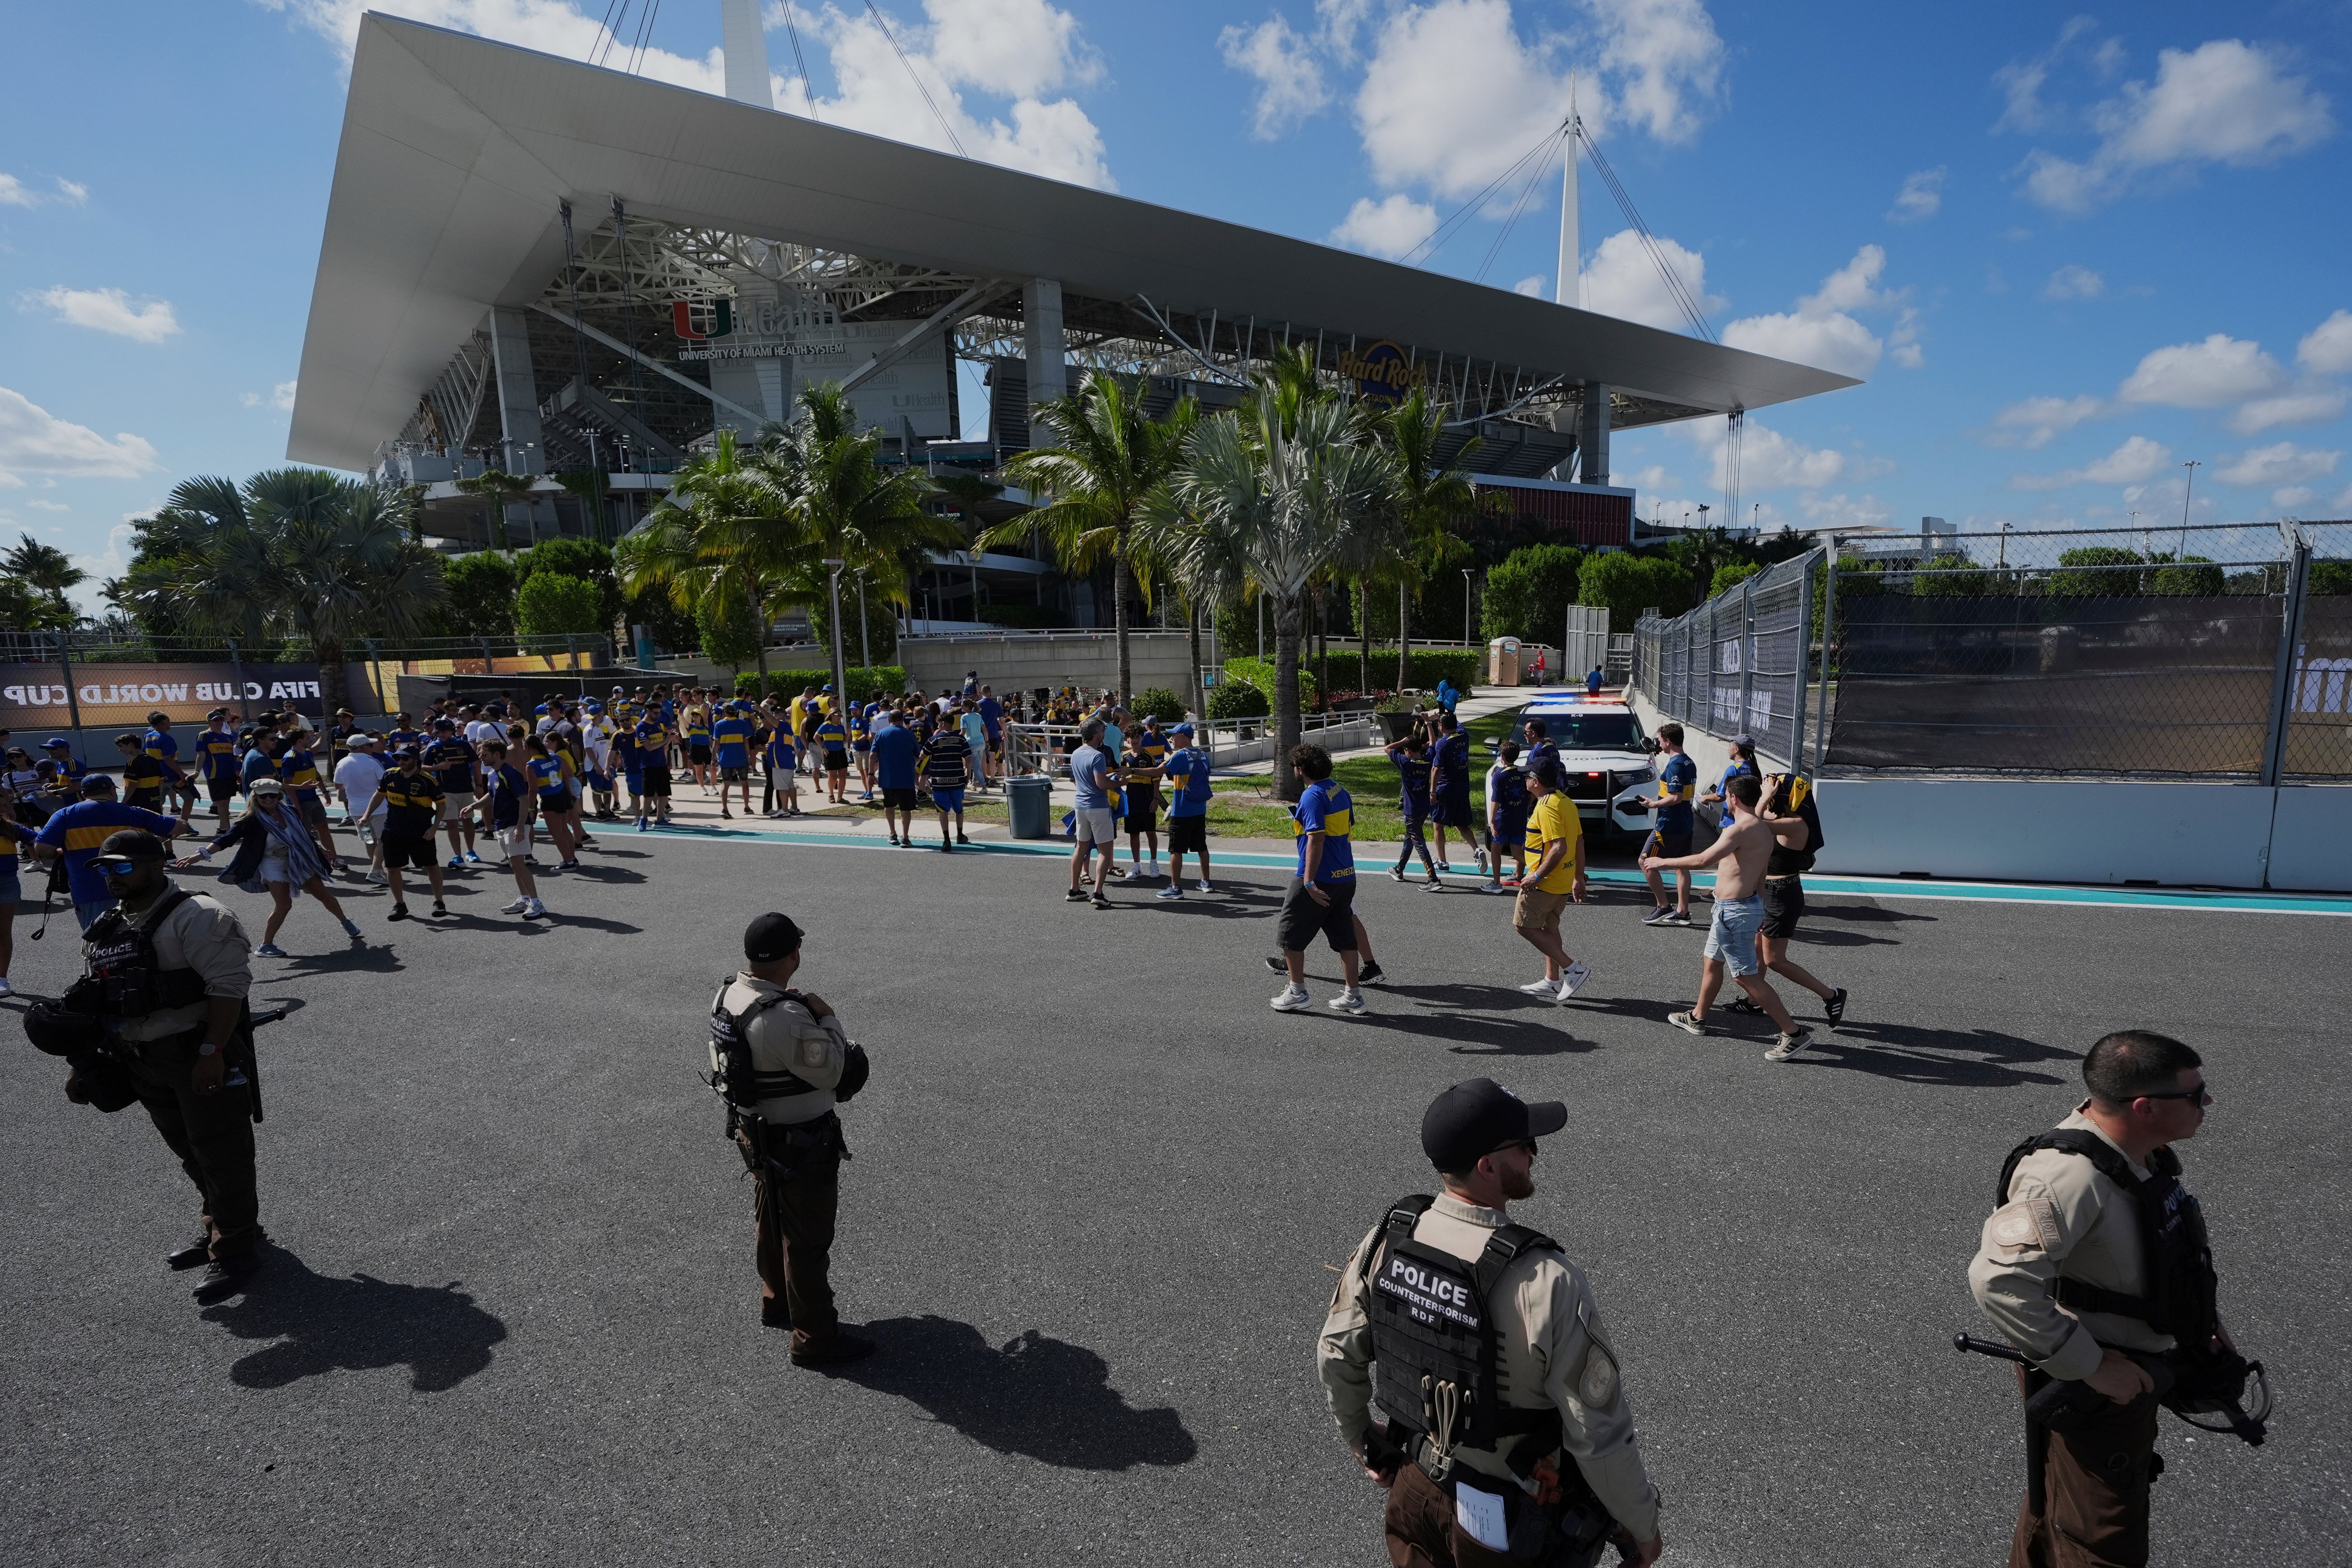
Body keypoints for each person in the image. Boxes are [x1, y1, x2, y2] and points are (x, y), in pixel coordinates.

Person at [1317, 1078, 1665, 1568]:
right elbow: (1598, 1434)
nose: (1533, 1154)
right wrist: (1642, 1527)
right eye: (1524, 1145)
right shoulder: (1547, 1280)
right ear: (1487, 1166)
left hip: (1415, 1491)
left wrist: (1362, 1440)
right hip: (1507, 1521)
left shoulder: (1388, 1240)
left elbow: (1336, 1351)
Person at [1968, 1032, 2248, 1568]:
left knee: (2064, 1496)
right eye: (2196, 1093)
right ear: (2145, 1107)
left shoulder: (2139, 1151)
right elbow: (1998, 1281)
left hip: (2132, 1359)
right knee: (2101, 1535)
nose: (2207, 1103)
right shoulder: (2068, 1177)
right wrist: (2092, 1366)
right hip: (2099, 1374)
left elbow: (2162, 1247)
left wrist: (2201, 1320)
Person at [45, 829, 265, 1307]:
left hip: (195, 1052)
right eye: (105, 868)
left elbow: (229, 989)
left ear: (157, 863)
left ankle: (237, 1248)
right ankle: (221, 1225)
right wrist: (83, 1064)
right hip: (141, 1057)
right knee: (188, 1150)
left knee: (221, 1151)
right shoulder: (111, 924)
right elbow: (99, 998)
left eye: (123, 866)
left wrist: (212, 1054)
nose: (112, 876)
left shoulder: (200, 916)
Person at [710, 912, 873, 1365]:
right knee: (807, 1240)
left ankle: (775, 1300)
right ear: (793, 956)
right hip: (800, 1143)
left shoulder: (729, 995)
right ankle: (815, 1338)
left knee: (771, 1218)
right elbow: (837, 1070)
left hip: (755, 1134)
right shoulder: (783, 1016)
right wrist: (828, 1017)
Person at [1642, 774, 1813, 1060]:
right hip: (1741, 908)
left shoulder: (1737, 830)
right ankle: (1696, 1017)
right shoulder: (1761, 829)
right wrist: (1758, 908)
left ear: (1733, 799)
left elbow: (1702, 860)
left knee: (1746, 978)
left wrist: (1661, 861)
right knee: (1712, 963)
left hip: (1733, 912)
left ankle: (1794, 1034)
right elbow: (1760, 875)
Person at [1720, 772, 1847, 1032]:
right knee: (1758, 952)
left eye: (1774, 791)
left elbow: (1752, 820)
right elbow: (1751, 816)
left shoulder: (1797, 824)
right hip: (1768, 892)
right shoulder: (1778, 818)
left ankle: (1831, 995)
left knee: (1775, 960)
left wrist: (1764, 798)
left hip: (1783, 895)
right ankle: (1754, 1002)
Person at [183, 777, 366, 955]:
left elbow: (301, 835)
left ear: (279, 796)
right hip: (271, 862)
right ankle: (265, 946)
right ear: (256, 798)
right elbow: (226, 840)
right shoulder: (250, 818)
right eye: (263, 796)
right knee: (285, 904)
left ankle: (345, 921)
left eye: (273, 795)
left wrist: (319, 849)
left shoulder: (290, 812)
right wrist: (201, 855)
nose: (269, 799)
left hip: (297, 858)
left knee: (322, 893)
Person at [1271, 743, 1364, 1014]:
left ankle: (1297, 991)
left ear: (1301, 769)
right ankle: (1353, 996)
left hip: (1317, 878)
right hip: (1346, 875)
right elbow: (1346, 828)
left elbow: (1316, 839)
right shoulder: (1339, 790)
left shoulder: (1312, 796)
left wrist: (1309, 882)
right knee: (1345, 937)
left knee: (1290, 935)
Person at [34, 775, 189, 932]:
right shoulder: (135, 813)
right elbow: (180, 827)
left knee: (100, 944)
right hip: (137, 890)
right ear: (112, 791)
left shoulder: (65, 815)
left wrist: (59, 853)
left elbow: (43, 848)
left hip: (89, 892)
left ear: (84, 795)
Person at [1512, 760, 1591, 1003]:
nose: (1524, 780)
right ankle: (1552, 981)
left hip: (1545, 882)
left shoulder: (1545, 808)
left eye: (1527, 776)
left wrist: (1536, 876)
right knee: (1549, 927)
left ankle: (1572, 969)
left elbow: (1559, 847)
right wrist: (1578, 877)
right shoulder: (1566, 802)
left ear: (1536, 782)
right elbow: (1579, 841)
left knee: (1523, 926)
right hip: (1563, 880)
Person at [356, 748, 449, 921]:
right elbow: (379, 795)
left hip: (420, 831)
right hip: (393, 829)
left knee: (431, 866)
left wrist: (434, 827)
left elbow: (441, 805)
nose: (401, 762)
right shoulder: (390, 775)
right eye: (398, 758)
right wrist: (366, 816)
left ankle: (439, 902)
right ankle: (400, 905)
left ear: (415, 759)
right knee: (392, 868)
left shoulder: (427, 780)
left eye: (405, 758)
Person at [1627, 723, 1699, 927]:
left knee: (1645, 861)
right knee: (1681, 866)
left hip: (1670, 823)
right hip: (1686, 821)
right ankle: (1683, 913)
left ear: (1668, 742)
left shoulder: (1675, 765)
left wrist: (1654, 804)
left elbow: (1675, 797)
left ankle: (1663, 906)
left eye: (1660, 740)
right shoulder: (1689, 762)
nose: (1658, 743)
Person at [467, 738, 544, 919]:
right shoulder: (494, 774)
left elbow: (524, 799)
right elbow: (492, 794)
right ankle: (525, 899)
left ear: (497, 754)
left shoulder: (510, 773)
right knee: (514, 865)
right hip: (502, 825)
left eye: (484, 754)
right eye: (480, 754)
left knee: (518, 864)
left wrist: (520, 827)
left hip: (514, 824)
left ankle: (537, 903)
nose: (481, 757)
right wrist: (474, 806)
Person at [1060, 718, 1117, 907]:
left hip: (1081, 806)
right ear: (1095, 735)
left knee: (1081, 847)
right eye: (1102, 731)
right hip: (1098, 807)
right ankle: (1098, 894)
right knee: (1105, 850)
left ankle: (1074, 888)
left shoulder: (1076, 753)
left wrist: (1107, 777)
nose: (1103, 734)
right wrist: (1120, 783)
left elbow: (1087, 778)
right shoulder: (1098, 756)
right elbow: (1101, 784)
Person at [1159, 723, 1214, 898]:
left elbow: (1158, 771)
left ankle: (1175, 888)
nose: (1172, 739)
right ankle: (1206, 882)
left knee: (1176, 850)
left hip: (1181, 811)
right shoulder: (1203, 755)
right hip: (1199, 809)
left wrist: (1133, 770)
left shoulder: (1181, 756)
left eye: (1174, 735)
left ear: (1183, 736)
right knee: (1201, 847)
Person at [422, 718, 483, 869]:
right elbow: (423, 767)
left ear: (451, 731)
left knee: (468, 820)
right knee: (452, 823)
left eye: (444, 731)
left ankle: (471, 851)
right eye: (438, 732)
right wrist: (438, 767)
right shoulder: (434, 747)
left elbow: (476, 765)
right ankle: (458, 856)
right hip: (445, 790)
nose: (441, 735)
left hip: (466, 789)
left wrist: (480, 785)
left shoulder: (463, 744)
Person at [1384, 731, 1439, 887]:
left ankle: (1433, 880)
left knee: (1420, 844)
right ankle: (1399, 869)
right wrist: (1429, 725)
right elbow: (1433, 743)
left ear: (1407, 750)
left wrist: (1402, 741)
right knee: (1410, 839)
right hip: (1424, 809)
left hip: (1411, 812)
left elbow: (1387, 748)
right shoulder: (1428, 760)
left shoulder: (1404, 762)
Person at [333, 731, 389, 884]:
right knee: (383, 840)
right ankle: (376, 870)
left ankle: (378, 870)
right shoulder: (373, 762)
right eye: (369, 745)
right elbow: (384, 783)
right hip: (378, 809)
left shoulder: (342, 763)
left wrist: (354, 786)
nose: (372, 747)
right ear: (363, 747)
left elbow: (338, 785)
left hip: (356, 811)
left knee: (369, 840)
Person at [919, 711, 973, 850]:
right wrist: (968, 774)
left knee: (942, 810)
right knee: (959, 809)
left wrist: (934, 736)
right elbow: (968, 759)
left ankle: (946, 840)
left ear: (943, 724)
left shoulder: (934, 740)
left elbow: (922, 755)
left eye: (939, 723)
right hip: (957, 780)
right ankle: (960, 835)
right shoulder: (961, 740)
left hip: (939, 781)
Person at [869, 708, 921, 848]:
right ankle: (906, 837)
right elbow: (918, 755)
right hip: (906, 778)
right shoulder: (909, 735)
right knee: (906, 808)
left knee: (889, 805)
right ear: (902, 720)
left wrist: (870, 774)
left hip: (887, 778)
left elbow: (872, 755)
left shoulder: (881, 734)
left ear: (889, 720)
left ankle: (893, 833)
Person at [1484, 740, 1530, 893]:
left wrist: (1491, 820)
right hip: (1519, 817)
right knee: (1518, 852)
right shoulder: (1524, 772)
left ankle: (1497, 883)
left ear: (1502, 757)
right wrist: (1526, 805)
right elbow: (1531, 793)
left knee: (1495, 848)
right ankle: (1540, 871)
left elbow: (1495, 799)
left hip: (1503, 818)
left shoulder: (1499, 776)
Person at [0, 795, 36, 995]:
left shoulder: (12, 827)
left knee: (3, 933)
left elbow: (39, 840)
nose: (2, 808)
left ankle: (2, 978)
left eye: (4, 805)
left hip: (7, 884)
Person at [1696, 734, 1760, 841]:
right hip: (1750, 821)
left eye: (1730, 746)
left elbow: (1720, 796)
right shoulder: (1754, 769)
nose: (1728, 749)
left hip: (1732, 822)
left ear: (1736, 750)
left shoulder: (1733, 770)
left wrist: (1705, 798)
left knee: (1727, 855)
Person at [192, 710, 243, 833]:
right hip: (215, 774)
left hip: (229, 774)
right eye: (216, 720)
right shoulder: (204, 735)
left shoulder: (230, 737)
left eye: (221, 720)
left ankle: (224, 827)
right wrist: (196, 772)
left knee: (226, 801)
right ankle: (225, 828)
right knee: (221, 802)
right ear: (209, 722)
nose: (219, 722)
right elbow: (201, 755)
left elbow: (235, 757)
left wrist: (238, 773)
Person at [1119, 736, 1161, 879]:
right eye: (1132, 737)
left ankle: (1154, 863)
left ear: (1142, 738)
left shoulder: (1149, 756)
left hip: (1147, 798)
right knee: (1133, 833)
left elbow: (1156, 779)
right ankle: (1137, 866)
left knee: (1151, 832)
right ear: (1128, 739)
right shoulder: (1124, 757)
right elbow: (1120, 777)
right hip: (1131, 799)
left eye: (1138, 737)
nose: (1135, 740)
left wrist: (1156, 799)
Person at [712, 701, 756, 820]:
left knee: (725, 784)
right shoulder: (742, 724)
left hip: (726, 758)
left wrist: (713, 759)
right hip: (741, 758)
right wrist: (748, 757)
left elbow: (716, 744)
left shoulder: (719, 725)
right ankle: (747, 807)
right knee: (744, 782)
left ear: (725, 713)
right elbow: (746, 742)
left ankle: (725, 809)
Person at [632, 705, 674, 830]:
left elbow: (662, 745)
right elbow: (649, 747)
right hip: (648, 765)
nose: (657, 716)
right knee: (649, 794)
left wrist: (670, 739)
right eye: (655, 713)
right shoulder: (642, 727)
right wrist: (666, 740)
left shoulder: (657, 725)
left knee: (663, 794)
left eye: (659, 713)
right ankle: (643, 820)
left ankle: (660, 819)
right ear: (648, 711)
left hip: (661, 763)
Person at [765, 722, 802, 818]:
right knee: (790, 786)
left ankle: (784, 810)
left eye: (779, 713)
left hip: (781, 764)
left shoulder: (783, 726)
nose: (776, 716)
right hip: (787, 763)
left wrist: (760, 709)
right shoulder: (782, 730)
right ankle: (794, 808)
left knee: (782, 787)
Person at [815, 702, 850, 804]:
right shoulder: (826, 725)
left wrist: (848, 734)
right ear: (831, 715)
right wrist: (824, 748)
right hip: (831, 753)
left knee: (843, 776)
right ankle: (831, 794)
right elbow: (816, 737)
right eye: (837, 715)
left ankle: (840, 797)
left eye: (841, 715)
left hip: (841, 752)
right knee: (833, 777)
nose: (840, 717)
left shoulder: (840, 727)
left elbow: (844, 741)